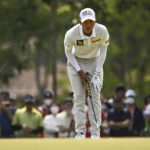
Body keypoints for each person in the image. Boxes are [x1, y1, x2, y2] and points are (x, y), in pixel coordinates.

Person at [64, 8, 109, 138]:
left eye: (91, 21)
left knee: (95, 97)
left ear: (95, 22)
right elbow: (68, 52)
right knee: (79, 97)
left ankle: (95, 132)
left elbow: (103, 50)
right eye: (85, 22)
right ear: (80, 22)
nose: (89, 25)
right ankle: (81, 132)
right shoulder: (71, 34)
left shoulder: (102, 31)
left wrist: (96, 73)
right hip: (75, 62)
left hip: (95, 61)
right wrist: (79, 71)